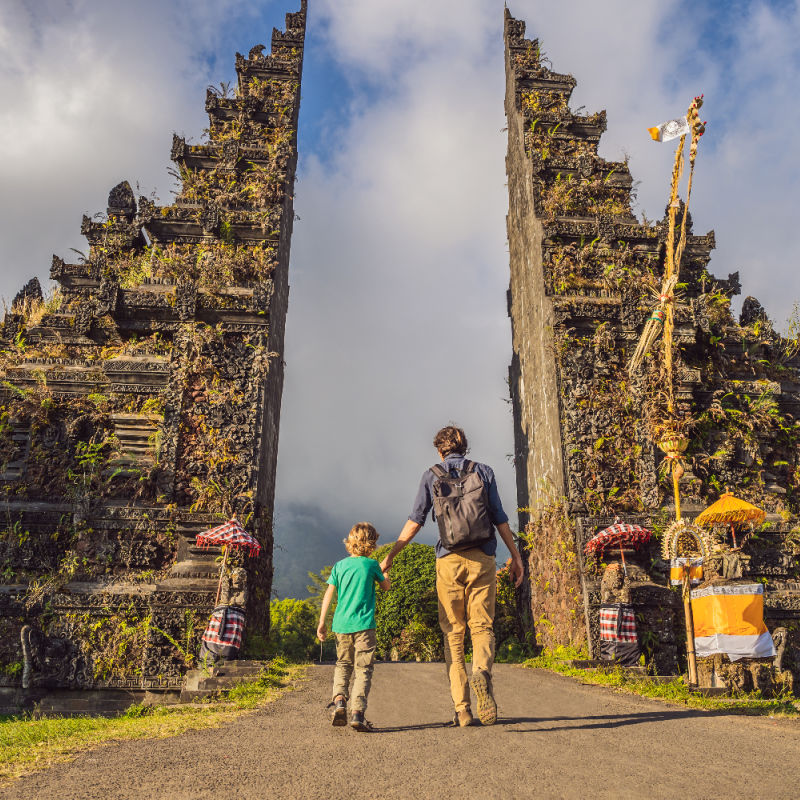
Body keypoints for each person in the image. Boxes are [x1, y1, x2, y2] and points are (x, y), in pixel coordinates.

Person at [380, 425, 524, 728]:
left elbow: (415, 520)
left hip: (448, 560)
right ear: (465, 446)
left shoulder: (431, 474)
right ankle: (481, 671)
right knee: (482, 625)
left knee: (453, 633)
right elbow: (499, 517)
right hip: (483, 556)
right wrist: (516, 556)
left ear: (439, 450)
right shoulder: (483, 471)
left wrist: (391, 556)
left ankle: (462, 710)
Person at [317, 522, 391, 732]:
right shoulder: (372, 565)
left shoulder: (339, 566)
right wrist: (385, 575)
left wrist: (322, 622)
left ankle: (340, 700)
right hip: (365, 626)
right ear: (372, 543)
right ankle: (357, 713)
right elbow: (385, 587)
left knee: (343, 664)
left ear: (350, 542)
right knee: (363, 669)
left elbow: (329, 594)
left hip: (341, 625)